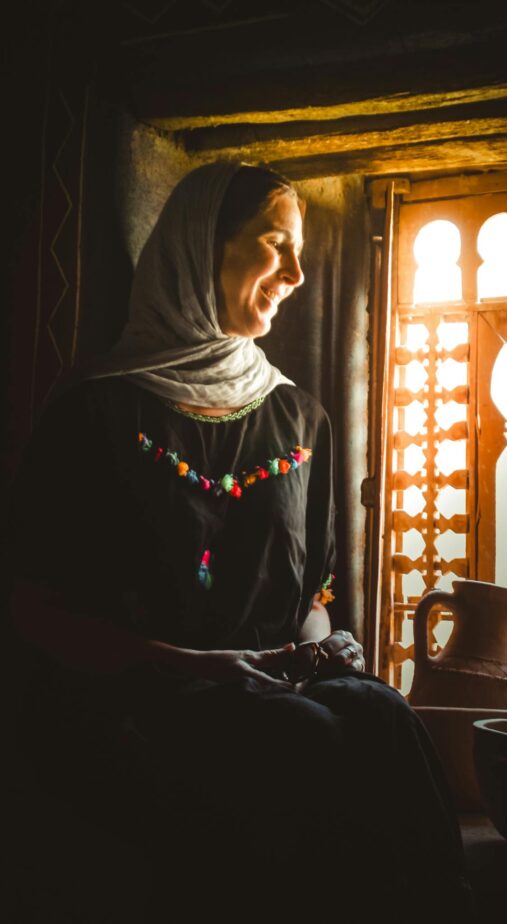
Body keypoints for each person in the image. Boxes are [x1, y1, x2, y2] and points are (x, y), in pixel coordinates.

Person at [8, 161, 474, 922]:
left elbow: (311, 599)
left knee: (383, 714)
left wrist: (320, 648)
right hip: (143, 701)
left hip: (266, 689)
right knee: (307, 736)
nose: (296, 273)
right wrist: (196, 665)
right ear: (200, 248)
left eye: (301, 253)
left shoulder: (300, 419)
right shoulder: (93, 414)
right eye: (274, 244)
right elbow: (35, 611)